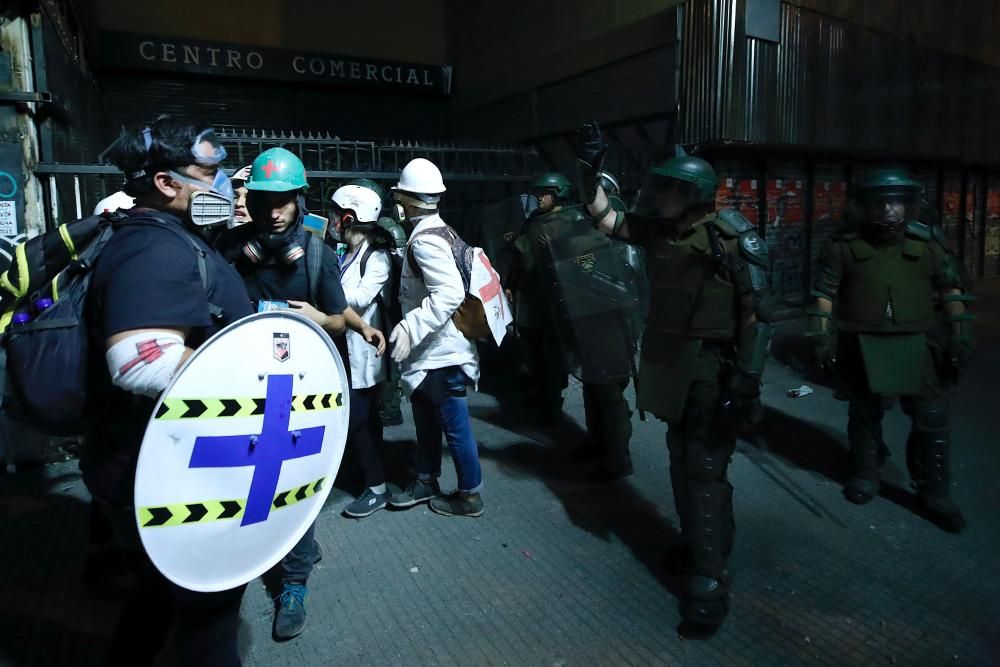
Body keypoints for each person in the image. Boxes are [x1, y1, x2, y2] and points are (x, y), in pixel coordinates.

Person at [578, 122, 774, 631]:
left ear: (693, 195)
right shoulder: (658, 230)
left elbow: (758, 317)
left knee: (705, 470)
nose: (658, 196)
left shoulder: (731, 238)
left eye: (669, 189)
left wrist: (746, 382)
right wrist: (589, 169)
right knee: (680, 460)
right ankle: (696, 545)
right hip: (670, 365)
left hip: (714, 368)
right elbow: (606, 219)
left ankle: (710, 578)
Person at [81, 115, 255, 666]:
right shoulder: (155, 248)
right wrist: (246, 376)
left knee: (156, 597)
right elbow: (138, 361)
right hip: (164, 473)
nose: (224, 185)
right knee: (210, 614)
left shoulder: (169, 236)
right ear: (166, 182)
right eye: (210, 173)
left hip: (159, 463)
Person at [229, 147, 386, 639]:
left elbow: (339, 316)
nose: (273, 210)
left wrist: (325, 320)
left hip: (299, 391)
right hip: (241, 386)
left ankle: (293, 582)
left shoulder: (317, 252)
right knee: (246, 483)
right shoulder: (230, 249)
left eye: (283, 200)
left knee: (294, 484)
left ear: (299, 200)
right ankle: (263, 552)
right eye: (262, 198)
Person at [808, 167, 973, 532]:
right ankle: (866, 472)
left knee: (931, 416)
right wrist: (820, 337)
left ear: (908, 206)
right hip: (862, 343)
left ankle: (935, 491)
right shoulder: (844, 246)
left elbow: (951, 291)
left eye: (896, 203)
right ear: (864, 206)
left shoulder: (927, 243)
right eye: (880, 203)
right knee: (865, 413)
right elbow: (824, 295)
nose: (888, 211)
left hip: (919, 343)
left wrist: (960, 336)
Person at [386, 157, 485, 517]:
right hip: (434, 355)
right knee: (426, 420)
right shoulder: (441, 231)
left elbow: (449, 293)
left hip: (442, 355)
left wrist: (410, 328)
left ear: (406, 200)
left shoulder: (426, 241)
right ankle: (426, 479)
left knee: (455, 429)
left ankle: (470, 496)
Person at [330, 181, 395, 517]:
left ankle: (377, 487)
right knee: (365, 421)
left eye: (335, 215)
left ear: (349, 218)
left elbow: (360, 297)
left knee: (359, 420)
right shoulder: (351, 252)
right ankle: (370, 474)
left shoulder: (377, 255)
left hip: (365, 354)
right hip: (349, 351)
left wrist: (326, 287)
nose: (330, 220)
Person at [506, 172, 585, 423]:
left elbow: (581, 262)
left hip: (556, 298)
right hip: (532, 297)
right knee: (533, 350)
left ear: (558, 193)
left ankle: (552, 403)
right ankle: (539, 394)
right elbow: (520, 256)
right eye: (538, 193)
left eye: (544, 193)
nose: (539, 198)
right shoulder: (534, 220)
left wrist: (557, 248)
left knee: (553, 354)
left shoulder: (571, 221)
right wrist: (510, 284)